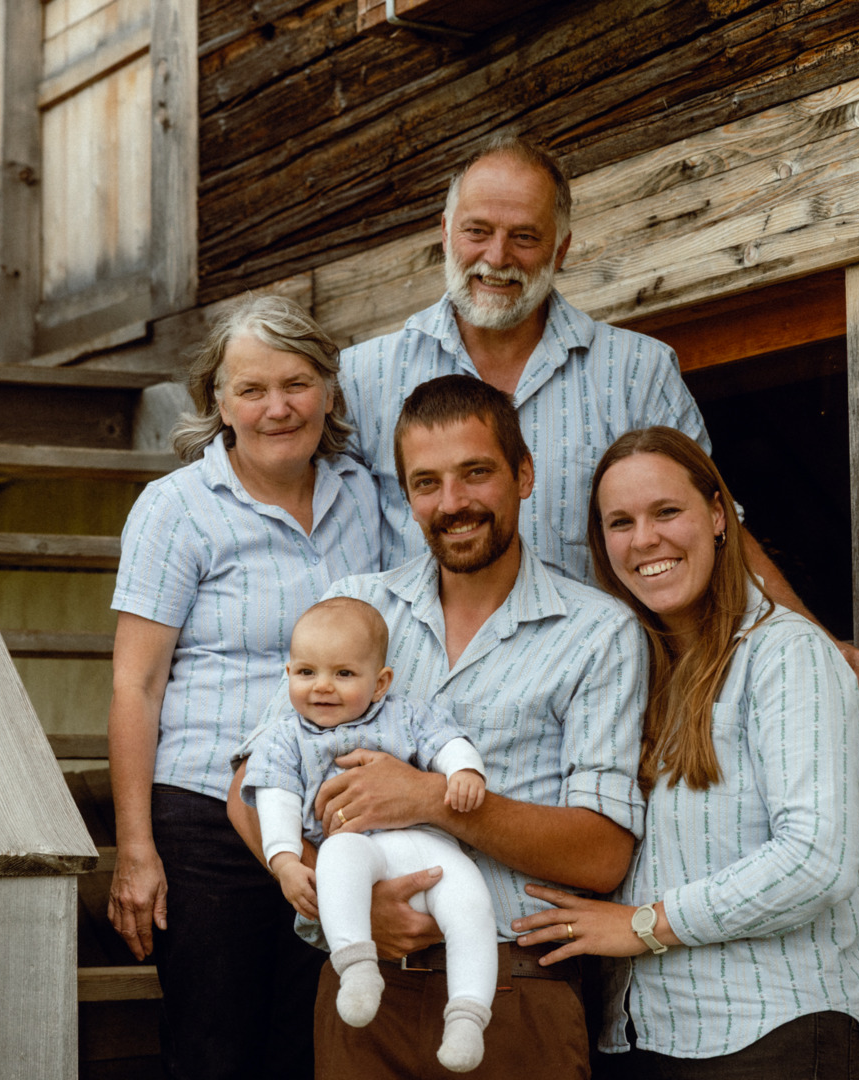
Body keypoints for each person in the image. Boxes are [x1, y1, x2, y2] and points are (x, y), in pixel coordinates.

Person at [337, 135, 859, 707]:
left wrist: (811, 640)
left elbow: (713, 527)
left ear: (561, 249)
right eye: (477, 231)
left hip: (595, 702)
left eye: (525, 237)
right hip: (413, 704)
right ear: (446, 232)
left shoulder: (637, 370)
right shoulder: (365, 377)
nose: (496, 257)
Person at [230, 374, 648, 1080]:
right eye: (426, 483)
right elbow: (250, 785)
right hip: (363, 992)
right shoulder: (356, 608)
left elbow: (603, 853)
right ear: (407, 495)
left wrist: (434, 801)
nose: (451, 502)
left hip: (516, 992)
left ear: (523, 475)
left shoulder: (597, 632)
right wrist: (345, 902)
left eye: (475, 473)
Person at [512, 426, 859, 1079]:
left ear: (717, 515)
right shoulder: (624, 675)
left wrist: (644, 924)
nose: (644, 539)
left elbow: (815, 860)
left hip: (770, 1035)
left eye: (666, 511)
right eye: (620, 522)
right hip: (637, 1039)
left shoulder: (785, 652)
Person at [107, 294, 382, 1079]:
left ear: (327, 391)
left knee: (313, 1049)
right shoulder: (177, 509)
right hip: (206, 818)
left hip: (331, 819)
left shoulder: (365, 496)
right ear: (219, 401)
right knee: (213, 1051)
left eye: (295, 384)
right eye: (251, 389)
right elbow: (136, 683)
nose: (276, 408)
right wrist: (136, 850)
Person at [242, 596, 496, 1073]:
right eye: (306, 672)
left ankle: (467, 1015)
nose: (322, 686)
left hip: (431, 846)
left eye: (343, 673)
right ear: (288, 673)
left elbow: (448, 742)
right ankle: (357, 966)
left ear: (380, 683)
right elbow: (276, 799)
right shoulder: (285, 737)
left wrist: (465, 771)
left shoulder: (409, 715)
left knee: (472, 906)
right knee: (337, 859)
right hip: (357, 846)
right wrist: (285, 861)